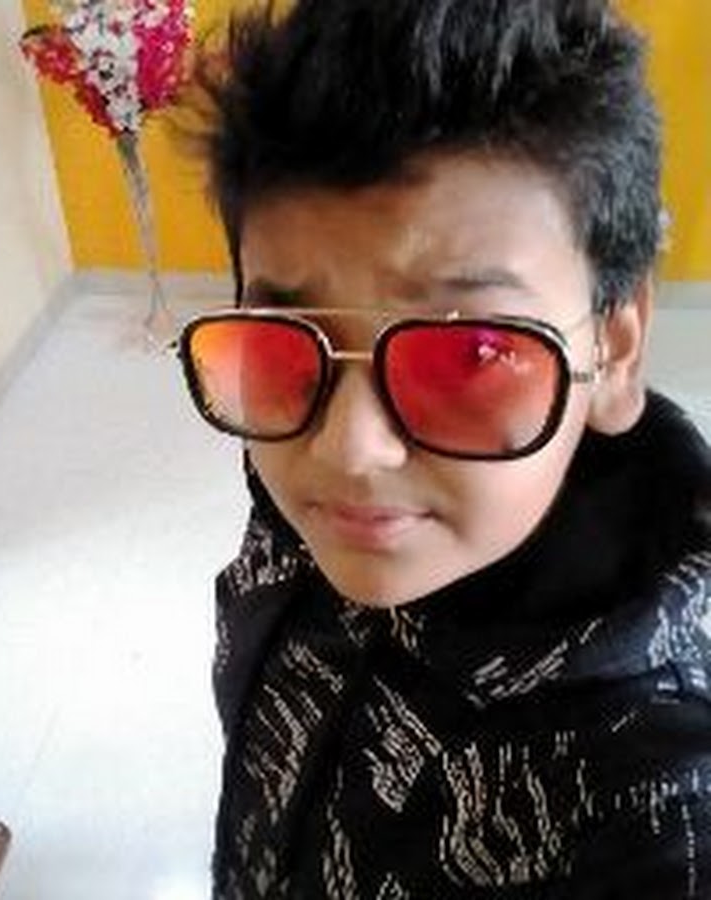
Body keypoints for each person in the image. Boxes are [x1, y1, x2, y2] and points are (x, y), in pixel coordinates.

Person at [175, 0, 711, 895]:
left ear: (614, 350)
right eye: (287, 343)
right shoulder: (299, 480)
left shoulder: (662, 808)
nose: (349, 449)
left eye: (473, 354)